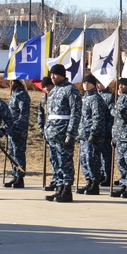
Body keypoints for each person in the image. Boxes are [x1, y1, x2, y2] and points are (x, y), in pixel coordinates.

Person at [43, 64, 81, 203]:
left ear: (62, 75)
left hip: (63, 132)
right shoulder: (53, 91)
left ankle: (66, 189)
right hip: (52, 133)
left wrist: (71, 133)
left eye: (55, 74)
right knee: (55, 161)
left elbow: (75, 113)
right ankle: (59, 187)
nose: (52, 77)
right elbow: (50, 113)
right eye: (51, 74)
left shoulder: (71, 90)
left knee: (65, 161)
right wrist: (46, 131)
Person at [77, 74, 111, 195]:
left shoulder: (96, 99)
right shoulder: (84, 98)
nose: (86, 85)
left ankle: (95, 183)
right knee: (84, 160)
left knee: (92, 159)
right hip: (83, 134)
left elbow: (98, 118)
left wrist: (94, 133)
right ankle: (89, 181)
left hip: (92, 136)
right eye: (84, 83)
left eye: (88, 83)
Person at [4, 79, 31, 188]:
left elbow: (23, 115)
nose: (11, 83)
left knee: (18, 153)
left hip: (18, 130)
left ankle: (20, 177)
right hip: (11, 129)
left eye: (13, 82)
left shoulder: (22, 96)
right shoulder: (14, 95)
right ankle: (15, 175)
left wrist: (16, 128)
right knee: (12, 153)